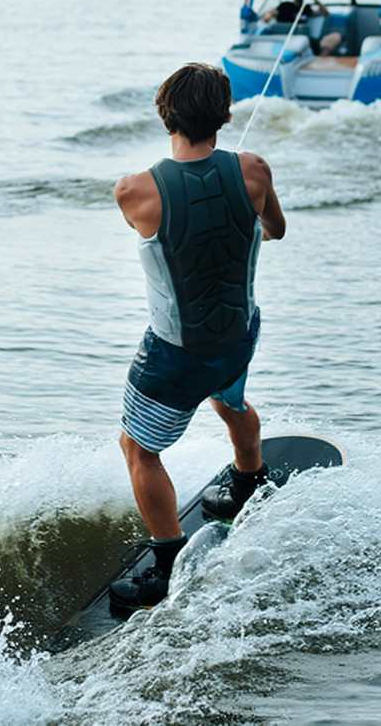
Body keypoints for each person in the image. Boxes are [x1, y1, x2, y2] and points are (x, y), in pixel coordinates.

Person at [109, 62, 286, 611]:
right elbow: (275, 229)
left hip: (174, 354)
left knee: (138, 449)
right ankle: (248, 482)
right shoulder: (254, 170)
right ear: (225, 116)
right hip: (239, 333)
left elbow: (152, 226)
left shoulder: (134, 190)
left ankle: (165, 564)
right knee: (229, 399)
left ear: (165, 115)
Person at [262, 0, 343, 56]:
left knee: (335, 37)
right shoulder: (285, 5)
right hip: (285, 39)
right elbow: (269, 14)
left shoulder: (306, 9)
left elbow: (326, 13)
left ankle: (319, 58)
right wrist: (268, 15)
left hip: (304, 40)